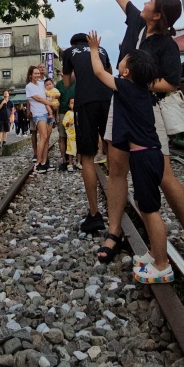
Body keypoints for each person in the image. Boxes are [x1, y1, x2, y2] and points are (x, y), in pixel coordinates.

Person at [102, 0, 184, 270]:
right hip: (118, 106)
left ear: (158, 15)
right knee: (116, 168)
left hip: (149, 113)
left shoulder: (166, 45)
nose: (144, 2)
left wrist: (138, 84)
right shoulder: (136, 22)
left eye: (151, 1)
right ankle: (113, 230)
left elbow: (172, 82)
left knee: (163, 174)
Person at [87, 31, 174, 282]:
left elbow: (99, 73)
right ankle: (154, 253)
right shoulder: (144, 91)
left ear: (125, 73)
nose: (120, 62)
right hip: (153, 153)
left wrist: (94, 49)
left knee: (149, 209)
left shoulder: (124, 87)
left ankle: (162, 264)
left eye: (123, 60)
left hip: (143, 156)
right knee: (149, 206)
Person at [62, 32, 113, 232]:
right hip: (108, 99)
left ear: (73, 43)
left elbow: (67, 83)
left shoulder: (69, 52)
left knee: (88, 157)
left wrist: (77, 70)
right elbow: (107, 73)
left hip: (85, 103)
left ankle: (94, 214)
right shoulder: (102, 49)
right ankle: (119, 202)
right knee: (112, 149)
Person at [26, 64, 55, 173]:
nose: (37, 75)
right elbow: (38, 99)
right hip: (39, 114)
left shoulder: (42, 84)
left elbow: (49, 91)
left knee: (47, 138)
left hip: (47, 113)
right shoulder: (29, 86)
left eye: (38, 73)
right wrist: (51, 104)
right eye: (35, 73)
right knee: (43, 137)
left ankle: (44, 162)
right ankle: (38, 164)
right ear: (31, 75)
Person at [55, 71, 75, 171]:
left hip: (74, 113)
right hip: (62, 112)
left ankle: (74, 159)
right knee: (62, 136)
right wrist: (57, 115)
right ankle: (64, 160)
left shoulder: (76, 84)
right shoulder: (59, 85)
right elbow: (56, 101)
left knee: (73, 137)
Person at [62, 97, 76, 171]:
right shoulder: (68, 113)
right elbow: (64, 123)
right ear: (69, 105)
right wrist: (68, 123)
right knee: (70, 150)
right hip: (71, 135)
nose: (74, 105)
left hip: (78, 135)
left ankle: (79, 162)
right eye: (72, 103)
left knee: (79, 149)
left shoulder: (79, 112)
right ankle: (70, 163)